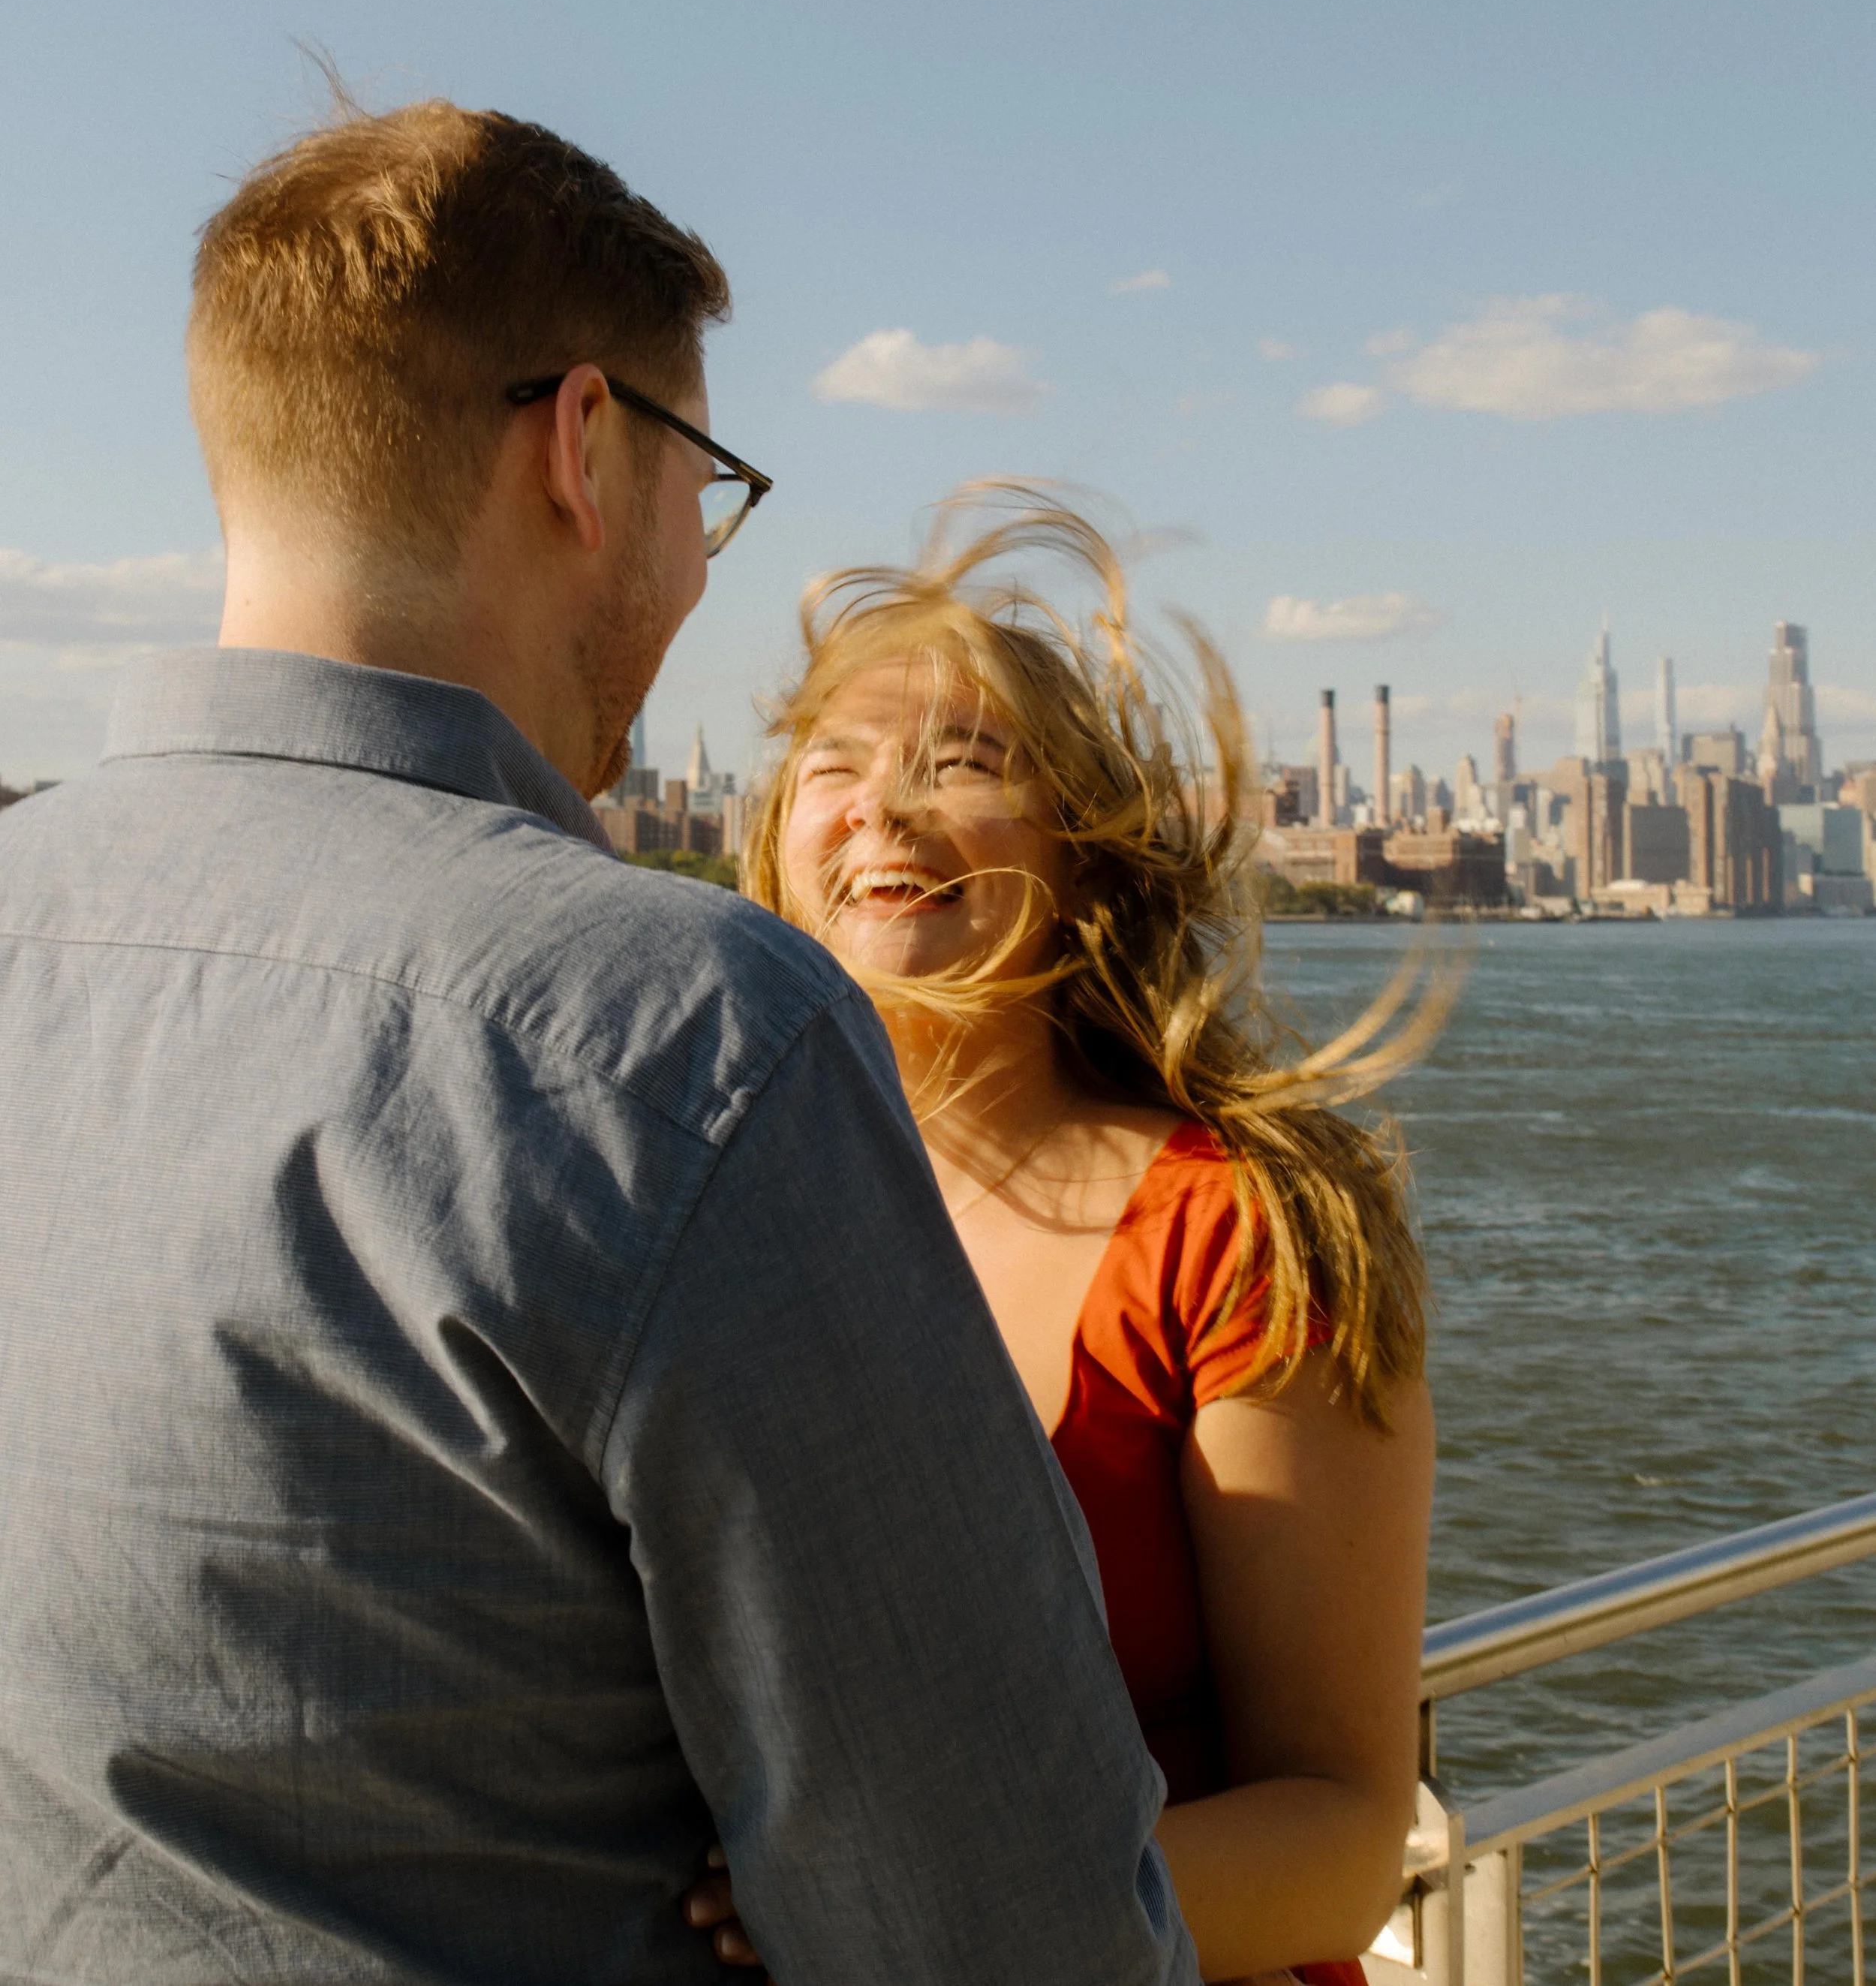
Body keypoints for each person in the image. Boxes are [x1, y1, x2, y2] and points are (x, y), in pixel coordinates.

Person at [0, 107, 1198, 1986]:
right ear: (580, 447)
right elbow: (1002, 1931)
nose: (699, 567)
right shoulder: (686, 1037)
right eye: (700, 482)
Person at [721, 490, 1438, 1984]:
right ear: (777, 852)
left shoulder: (1240, 1226)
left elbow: (1341, 1831)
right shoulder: (707, 1210)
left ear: (1086, 851)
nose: (882, 806)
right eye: (832, 766)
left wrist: (948, 1916)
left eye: (962, 762)